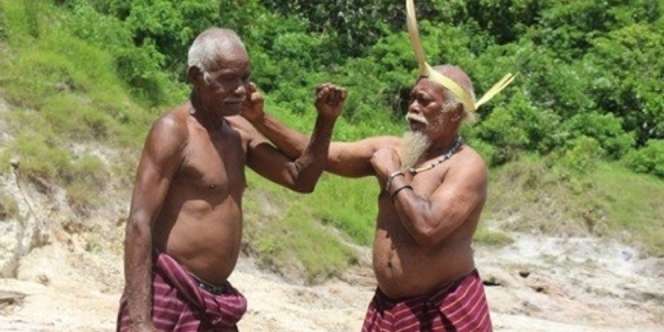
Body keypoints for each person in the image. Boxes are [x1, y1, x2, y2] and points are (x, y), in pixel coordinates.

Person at [117, 27, 347, 332]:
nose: (240, 89)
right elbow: (139, 222)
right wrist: (138, 321)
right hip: (169, 290)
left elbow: (301, 179)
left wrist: (325, 120)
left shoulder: (238, 132)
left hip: (218, 303)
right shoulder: (174, 131)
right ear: (196, 76)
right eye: (228, 79)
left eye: (245, 77)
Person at [242, 64, 493, 331]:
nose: (413, 107)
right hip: (389, 310)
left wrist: (393, 174)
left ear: (454, 113)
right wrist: (261, 119)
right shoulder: (393, 149)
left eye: (425, 101)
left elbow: (428, 228)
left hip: (442, 310)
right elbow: (318, 154)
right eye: (412, 98)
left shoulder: (466, 166)